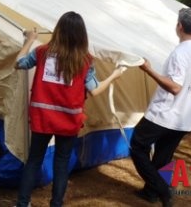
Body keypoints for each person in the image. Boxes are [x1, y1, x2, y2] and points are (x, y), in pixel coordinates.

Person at [14, 11, 126, 207]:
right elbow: (95, 90)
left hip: (42, 118)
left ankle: (22, 204)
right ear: (81, 35)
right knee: (62, 163)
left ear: (58, 30)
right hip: (69, 121)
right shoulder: (85, 60)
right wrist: (115, 75)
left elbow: (19, 63)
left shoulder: (42, 52)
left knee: (34, 160)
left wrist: (30, 40)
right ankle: (56, 204)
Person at [130, 8, 191, 207]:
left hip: (165, 113)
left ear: (179, 26)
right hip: (185, 116)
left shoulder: (180, 52)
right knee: (164, 154)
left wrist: (148, 69)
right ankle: (151, 192)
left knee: (137, 145)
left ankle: (162, 189)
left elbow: (175, 87)